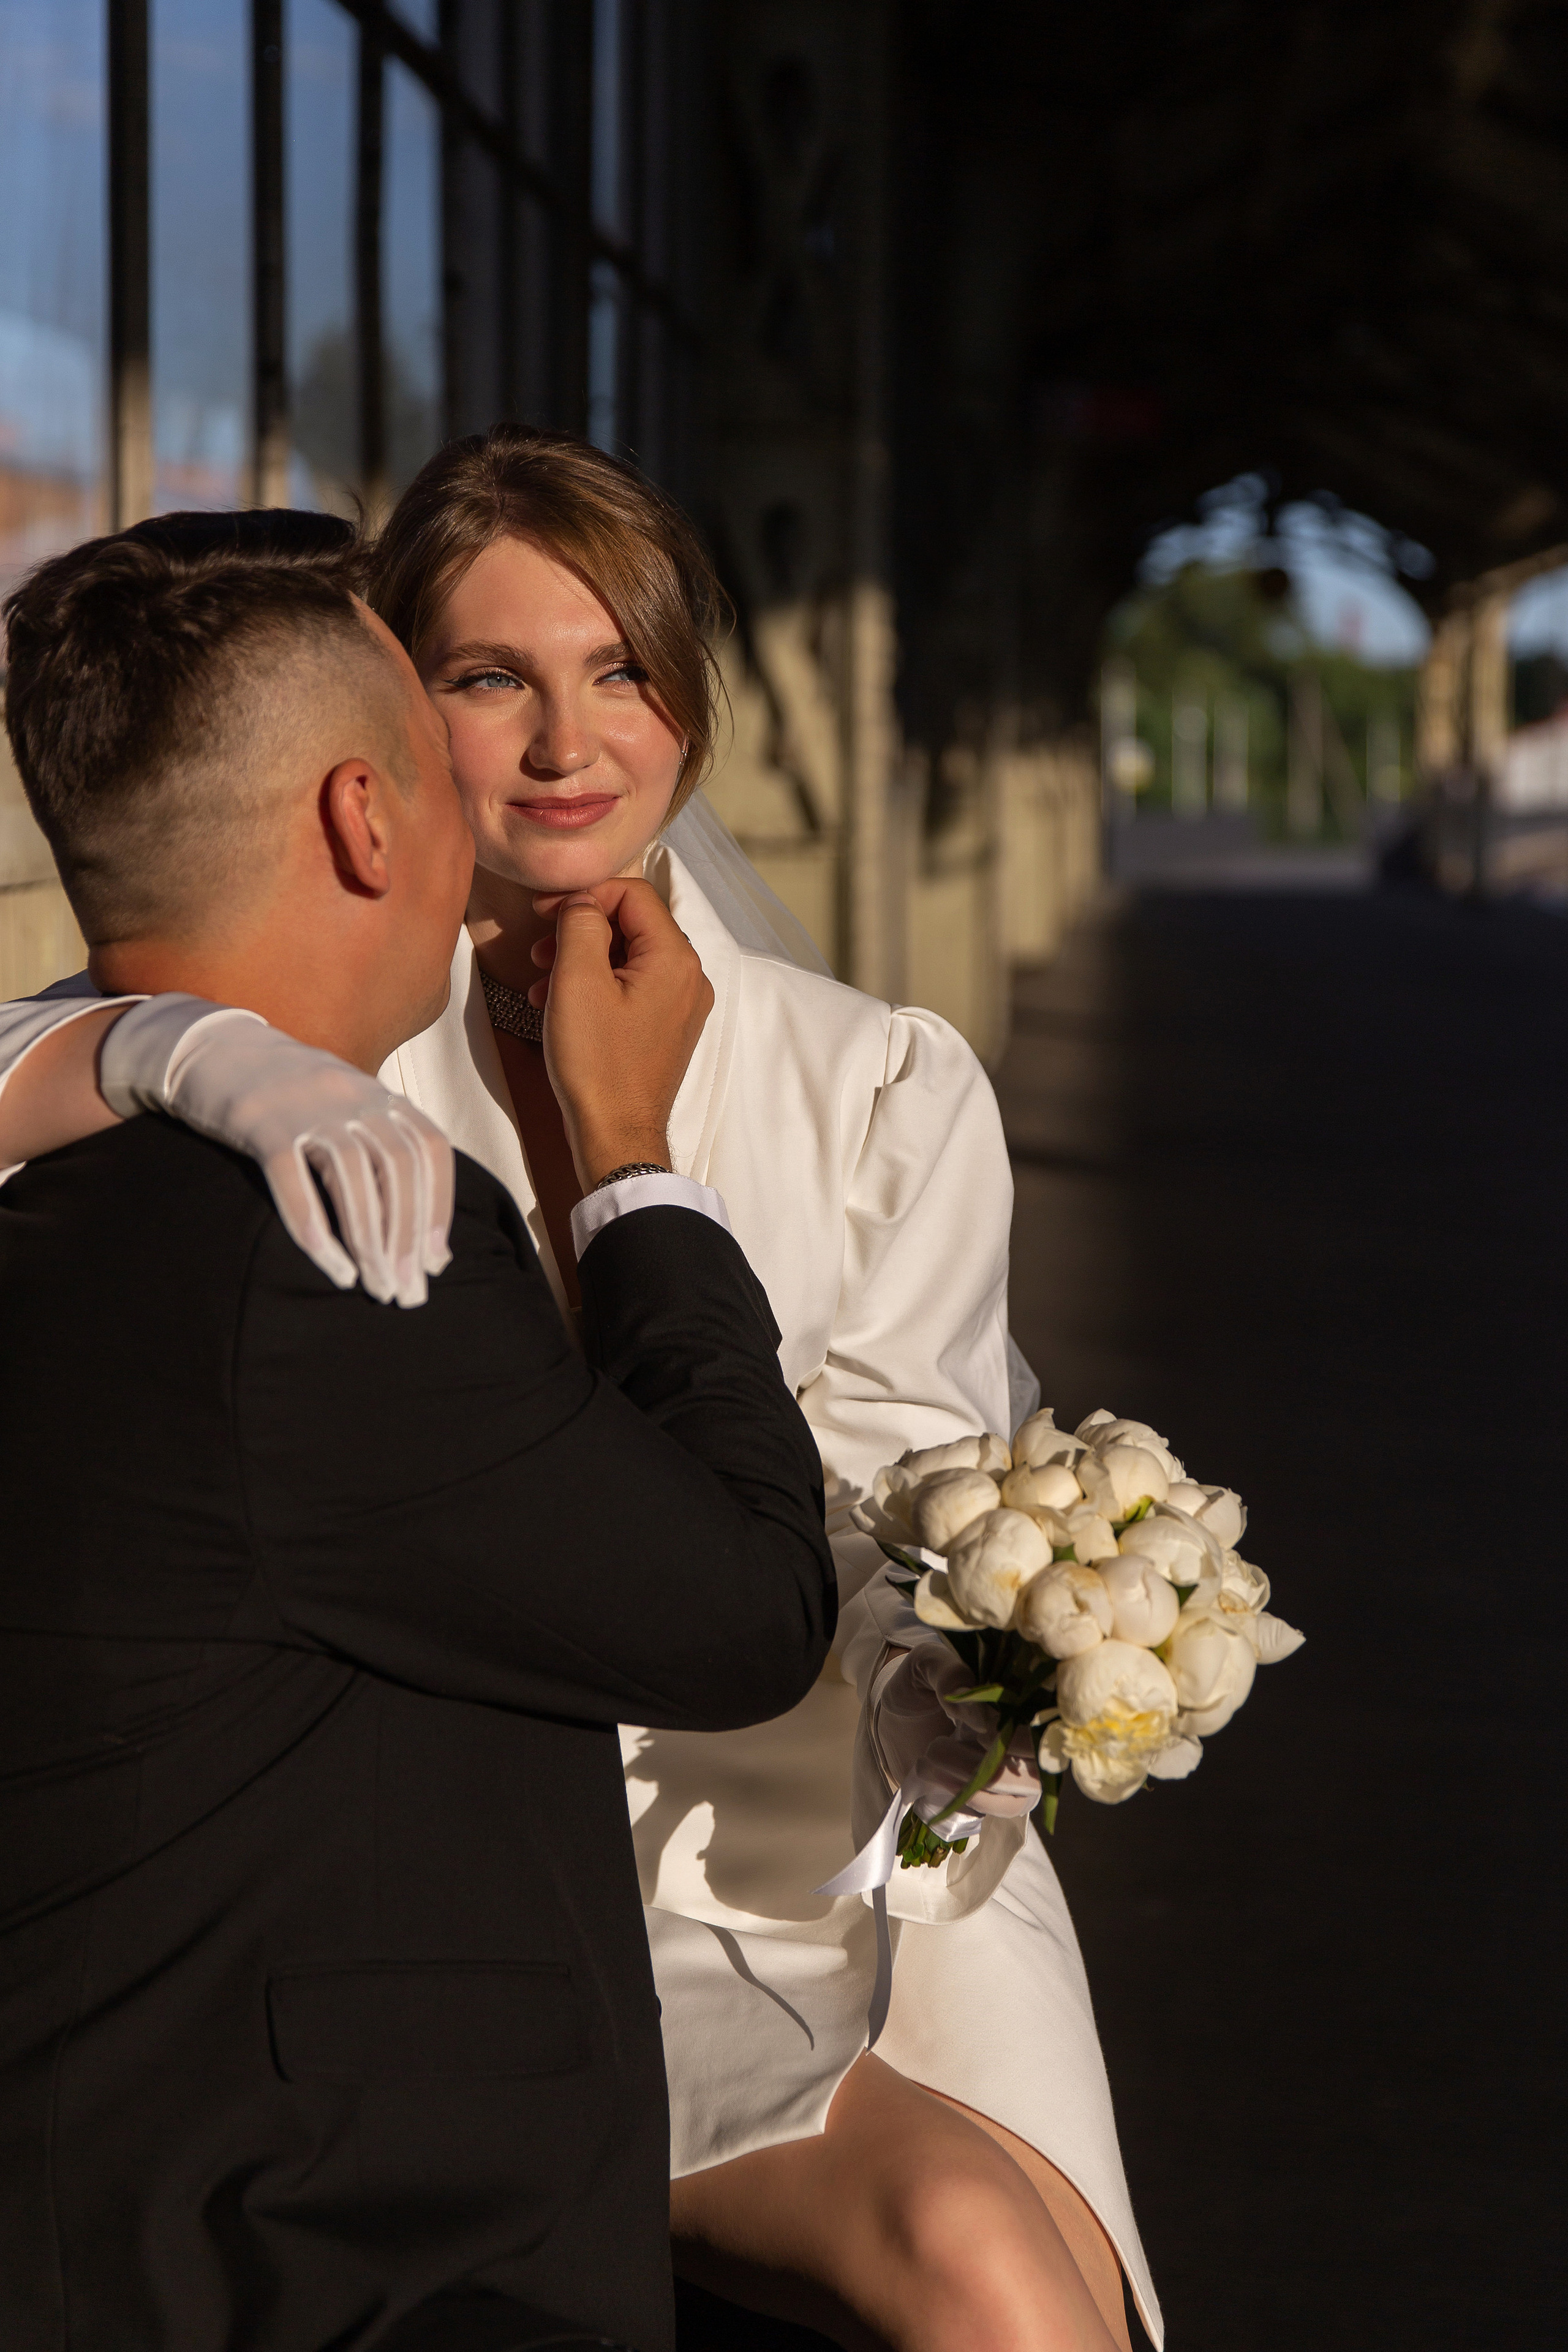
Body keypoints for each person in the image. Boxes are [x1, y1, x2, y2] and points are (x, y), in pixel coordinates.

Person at [0, 439, 1161, 2352]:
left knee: (1037, 2291)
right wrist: (174, 1042)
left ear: (692, 704)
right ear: (379, 753)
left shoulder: (876, 1079)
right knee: (970, 2266)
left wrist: (1006, 1661)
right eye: (486, 678)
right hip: (550, 1853)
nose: (564, 740)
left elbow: (895, 1495)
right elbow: (88, 1000)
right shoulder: (318, 1074)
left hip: (831, 1819)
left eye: (621, 667)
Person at [0, 519, 838, 2352]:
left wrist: (153, 1047)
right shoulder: (336, 1240)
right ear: (368, 823)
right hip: (333, 2253)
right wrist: (627, 1168)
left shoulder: (48, 1165)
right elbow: (744, 1609)